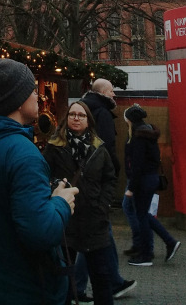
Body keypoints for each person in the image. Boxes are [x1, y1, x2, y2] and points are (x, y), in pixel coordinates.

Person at [0, 58, 78, 305]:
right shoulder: (23, 153)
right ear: (18, 101)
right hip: (21, 290)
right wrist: (61, 203)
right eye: (31, 90)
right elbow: (40, 232)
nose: (37, 97)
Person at [45, 101, 119, 305]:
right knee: (64, 280)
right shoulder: (55, 147)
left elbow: (109, 178)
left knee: (101, 279)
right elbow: (44, 176)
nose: (76, 118)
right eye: (72, 114)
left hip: (95, 221)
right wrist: (54, 189)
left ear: (88, 121)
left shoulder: (98, 147)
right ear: (66, 118)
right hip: (65, 221)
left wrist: (103, 205)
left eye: (81, 115)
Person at [75, 80, 135, 300]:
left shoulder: (81, 108)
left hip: (83, 179)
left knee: (97, 234)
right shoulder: (103, 113)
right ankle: (88, 286)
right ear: (102, 93)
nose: (114, 95)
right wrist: (114, 172)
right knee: (95, 236)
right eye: (111, 91)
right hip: (96, 182)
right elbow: (107, 147)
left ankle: (107, 282)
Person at [124, 105, 180, 267]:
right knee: (144, 215)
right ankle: (166, 243)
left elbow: (137, 165)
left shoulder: (138, 136)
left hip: (142, 182)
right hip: (151, 178)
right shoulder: (149, 133)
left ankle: (148, 254)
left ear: (130, 119)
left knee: (142, 216)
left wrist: (131, 188)